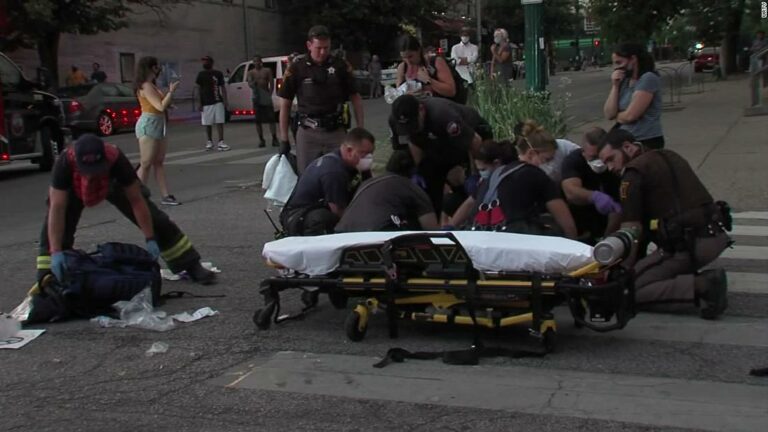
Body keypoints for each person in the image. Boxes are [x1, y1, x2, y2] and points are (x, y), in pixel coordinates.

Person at [35, 135, 216, 287]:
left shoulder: (115, 159)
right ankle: (48, 277)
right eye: (88, 171)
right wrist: (56, 251)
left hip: (111, 182)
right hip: (74, 188)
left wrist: (150, 237)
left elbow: (136, 201)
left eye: (95, 170)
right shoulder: (65, 162)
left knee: (156, 220)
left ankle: (189, 263)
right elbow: (57, 208)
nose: (91, 175)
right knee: (52, 232)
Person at [597, 129, 730, 319]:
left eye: (611, 159)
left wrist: (623, 269)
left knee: (628, 290)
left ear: (627, 147)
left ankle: (703, 285)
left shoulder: (632, 175)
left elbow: (631, 231)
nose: (610, 167)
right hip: (713, 233)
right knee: (645, 274)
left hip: (688, 246)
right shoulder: (668, 155)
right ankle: (690, 280)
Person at [278, 25, 364, 173]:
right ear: (309, 45)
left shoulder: (340, 66)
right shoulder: (297, 68)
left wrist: (360, 129)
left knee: (340, 176)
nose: (323, 52)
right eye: (319, 48)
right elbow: (285, 104)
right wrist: (284, 138)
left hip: (336, 132)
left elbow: (355, 97)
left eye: (327, 47)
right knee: (307, 178)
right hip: (308, 133)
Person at [389, 94, 492, 215]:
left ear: (421, 109)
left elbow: (474, 142)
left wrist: (475, 173)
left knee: (471, 187)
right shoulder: (395, 121)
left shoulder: (443, 115)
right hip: (436, 142)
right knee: (428, 184)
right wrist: (418, 170)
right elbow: (413, 141)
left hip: (470, 136)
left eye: (415, 124)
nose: (413, 129)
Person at [280, 128, 375, 236]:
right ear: (349, 151)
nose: (368, 158)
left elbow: (369, 191)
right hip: (300, 217)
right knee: (327, 219)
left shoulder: (353, 162)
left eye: (370, 153)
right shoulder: (333, 171)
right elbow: (338, 211)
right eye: (364, 153)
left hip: (319, 210)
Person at [336, 150, 438, 232]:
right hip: (377, 233)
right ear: (412, 171)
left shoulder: (366, 184)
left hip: (343, 231)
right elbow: (432, 230)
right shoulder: (410, 187)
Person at [560, 127, 622, 245]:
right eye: (593, 157)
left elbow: (617, 206)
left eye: (601, 156)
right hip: (582, 221)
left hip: (609, 222)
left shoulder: (615, 163)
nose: (599, 162)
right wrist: (594, 196)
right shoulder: (573, 161)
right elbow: (570, 191)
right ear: (583, 152)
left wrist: (607, 238)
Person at [134, 56, 180, 206]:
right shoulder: (146, 86)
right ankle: (138, 196)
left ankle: (165, 195)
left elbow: (159, 105)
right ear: (151, 68)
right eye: (157, 66)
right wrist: (171, 92)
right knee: (146, 162)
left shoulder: (152, 85)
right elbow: (159, 106)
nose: (159, 69)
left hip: (158, 123)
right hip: (149, 124)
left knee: (158, 162)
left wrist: (170, 104)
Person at [603, 42, 665, 149]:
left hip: (646, 140)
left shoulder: (648, 78)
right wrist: (615, 86)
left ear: (633, 59)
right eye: (614, 64)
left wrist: (617, 115)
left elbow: (631, 116)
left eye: (619, 63)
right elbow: (609, 113)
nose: (616, 68)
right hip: (626, 140)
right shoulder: (624, 81)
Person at [396, 34, 456, 100]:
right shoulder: (403, 67)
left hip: (437, 107)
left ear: (419, 50)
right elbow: (398, 93)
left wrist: (429, 80)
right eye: (404, 58)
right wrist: (406, 95)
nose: (408, 61)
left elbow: (451, 91)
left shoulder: (435, 62)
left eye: (410, 56)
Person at [195, 56, 230, 152]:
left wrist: (226, 101)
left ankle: (221, 142)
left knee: (220, 121)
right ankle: (209, 141)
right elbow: (199, 89)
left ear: (211, 62)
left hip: (218, 100)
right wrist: (199, 102)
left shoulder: (218, 74)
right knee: (207, 123)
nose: (204, 63)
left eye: (206, 61)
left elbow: (222, 87)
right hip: (206, 102)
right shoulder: (201, 74)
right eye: (203, 61)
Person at [246, 55, 278, 148]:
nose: (256, 63)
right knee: (257, 120)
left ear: (261, 62)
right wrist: (254, 82)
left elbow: (271, 82)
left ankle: (274, 138)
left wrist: (270, 94)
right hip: (256, 96)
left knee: (271, 118)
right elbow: (250, 84)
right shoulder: (251, 72)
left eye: (258, 61)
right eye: (255, 62)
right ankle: (261, 139)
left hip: (265, 95)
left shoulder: (267, 70)